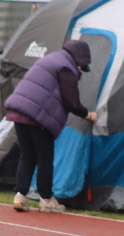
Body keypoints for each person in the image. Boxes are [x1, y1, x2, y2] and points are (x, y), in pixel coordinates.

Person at [4, 40, 97, 213]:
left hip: (18, 112)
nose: (80, 71)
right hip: (38, 118)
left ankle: (20, 195)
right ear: (79, 60)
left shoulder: (51, 59)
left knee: (27, 155)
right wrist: (87, 114)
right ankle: (46, 199)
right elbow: (71, 101)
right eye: (82, 67)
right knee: (45, 158)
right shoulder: (66, 67)